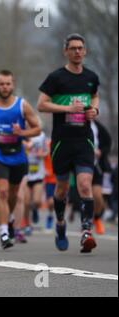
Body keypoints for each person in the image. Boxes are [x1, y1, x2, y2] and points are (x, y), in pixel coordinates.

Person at [37, 33, 100, 253]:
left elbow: (94, 96)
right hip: (62, 142)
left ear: (85, 51)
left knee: (84, 185)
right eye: (72, 48)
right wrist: (67, 109)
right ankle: (61, 222)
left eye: (80, 48)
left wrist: (94, 110)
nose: (77, 51)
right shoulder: (56, 78)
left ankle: (86, 232)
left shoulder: (91, 76)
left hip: (84, 140)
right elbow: (42, 105)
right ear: (66, 51)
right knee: (62, 189)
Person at [0, 70, 41, 250]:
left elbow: (37, 129)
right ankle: (4, 231)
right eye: (1, 84)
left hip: (18, 155)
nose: (5, 87)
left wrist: (22, 133)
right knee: (3, 192)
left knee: (13, 194)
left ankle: (10, 218)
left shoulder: (22, 106)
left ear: (12, 85)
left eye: (8, 84)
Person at [23, 131, 47, 235]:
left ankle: (35, 209)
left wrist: (42, 154)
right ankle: (28, 225)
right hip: (26, 174)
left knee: (37, 201)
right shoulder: (22, 134)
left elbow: (47, 151)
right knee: (26, 202)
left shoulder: (41, 135)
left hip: (38, 173)